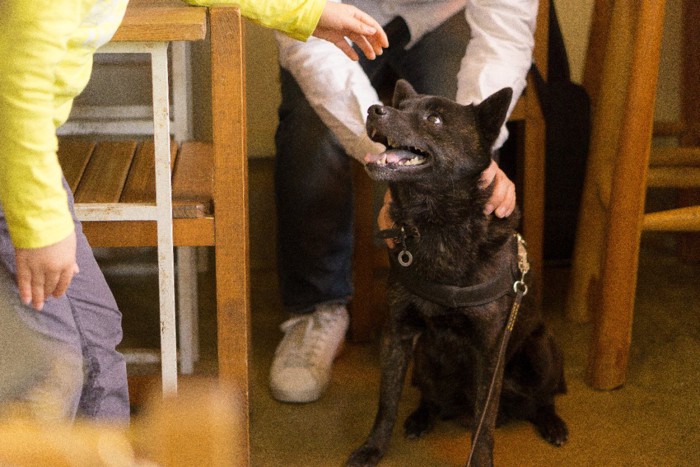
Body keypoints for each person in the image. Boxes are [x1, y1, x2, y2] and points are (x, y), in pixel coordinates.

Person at [0, 0, 387, 422]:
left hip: (22, 172)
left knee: (95, 335)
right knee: (48, 366)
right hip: (15, 172)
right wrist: (40, 227)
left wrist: (307, 14)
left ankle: (106, 448)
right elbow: (16, 95)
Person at [270, 0, 538, 403]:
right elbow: (304, 36)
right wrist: (388, 156)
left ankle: (457, 314)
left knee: (458, 148)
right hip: (331, 15)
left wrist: (475, 154)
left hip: (447, 16)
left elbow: (502, 33)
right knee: (310, 131)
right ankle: (316, 309)